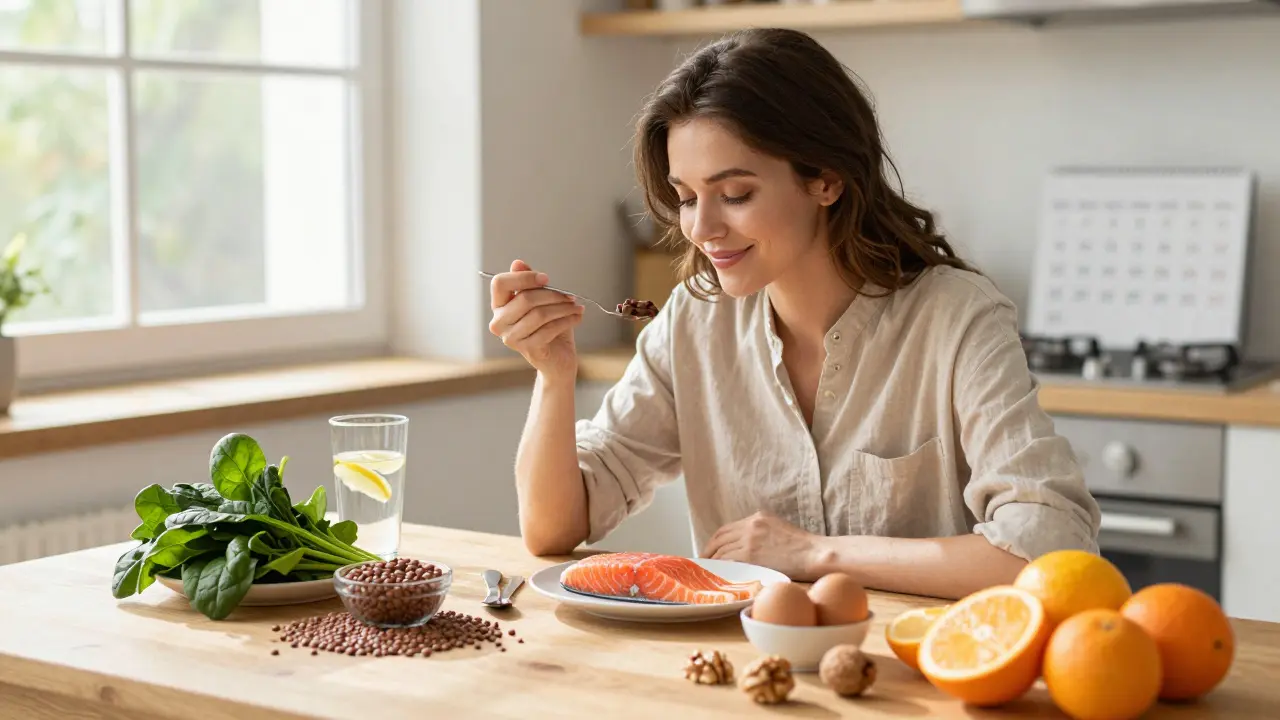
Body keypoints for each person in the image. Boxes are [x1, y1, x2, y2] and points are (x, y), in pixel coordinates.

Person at [486, 28, 1100, 600]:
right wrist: (554, 374)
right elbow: (554, 530)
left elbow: (1049, 550)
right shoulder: (695, 322)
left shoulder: (956, 319)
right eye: (686, 198)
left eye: (735, 195)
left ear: (825, 180)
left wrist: (818, 554)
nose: (701, 229)